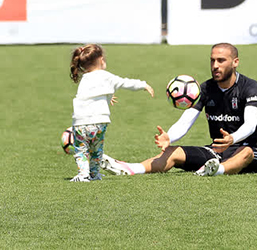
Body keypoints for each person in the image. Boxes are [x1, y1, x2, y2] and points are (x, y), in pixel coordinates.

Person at [101, 43, 257, 177]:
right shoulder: (206, 88)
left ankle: (217, 170)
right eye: (212, 60)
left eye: (221, 60)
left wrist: (232, 139)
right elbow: (185, 121)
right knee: (173, 152)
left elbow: (251, 124)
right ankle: (131, 168)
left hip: (249, 149)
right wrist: (170, 137)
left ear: (235, 62)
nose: (215, 65)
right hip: (217, 150)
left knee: (246, 153)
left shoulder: (250, 88)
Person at [69, 44, 154, 182]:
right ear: (101, 60)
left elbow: (88, 97)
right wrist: (143, 85)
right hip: (99, 122)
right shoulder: (106, 76)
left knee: (81, 151)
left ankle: (83, 174)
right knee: (96, 150)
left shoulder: (84, 79)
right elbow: (125, 83)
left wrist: (107, 97)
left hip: (81, 123)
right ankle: (94, 174)